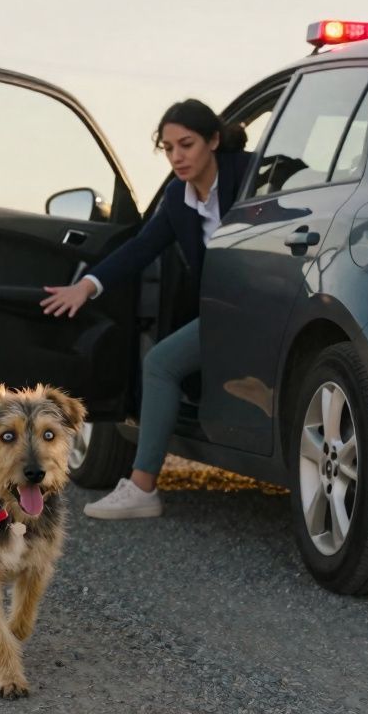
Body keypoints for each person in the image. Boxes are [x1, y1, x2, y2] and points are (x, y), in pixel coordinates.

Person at [39, 99, 252, 520]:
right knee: (163, 363)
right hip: (224, 314)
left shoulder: (250, 174)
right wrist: (87, 285)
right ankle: (143, 487)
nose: (177, 157)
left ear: (213, 141)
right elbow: (141, 247)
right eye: (168, 148)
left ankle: (141, 486)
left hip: (266, 306)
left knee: (159, 363)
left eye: (186, 145)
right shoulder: (178, 197)